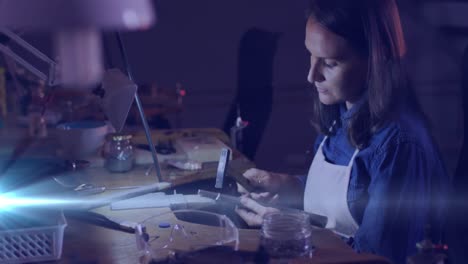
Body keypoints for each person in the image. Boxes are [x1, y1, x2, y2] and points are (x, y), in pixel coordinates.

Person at [235, 1, 450, 263]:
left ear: (376, 58)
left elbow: (378, 258)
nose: (311, 75)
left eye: (330, 63)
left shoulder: (399, 145)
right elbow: (349, 198)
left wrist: (288, 228)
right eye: (311, 56)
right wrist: (287, 185)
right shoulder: (342, 113)